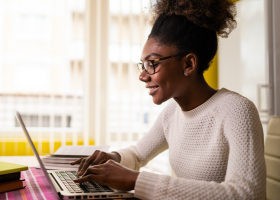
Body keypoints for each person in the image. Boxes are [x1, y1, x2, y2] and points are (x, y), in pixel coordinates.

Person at [71, 0, 266, 199]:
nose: (143, 76)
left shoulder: (236, 110)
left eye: (153, 63)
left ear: (189, 64)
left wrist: (136, 180)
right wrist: (114, 158)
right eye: (143, 65)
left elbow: (247, 193)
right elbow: (138, 154)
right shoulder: (172, 113)